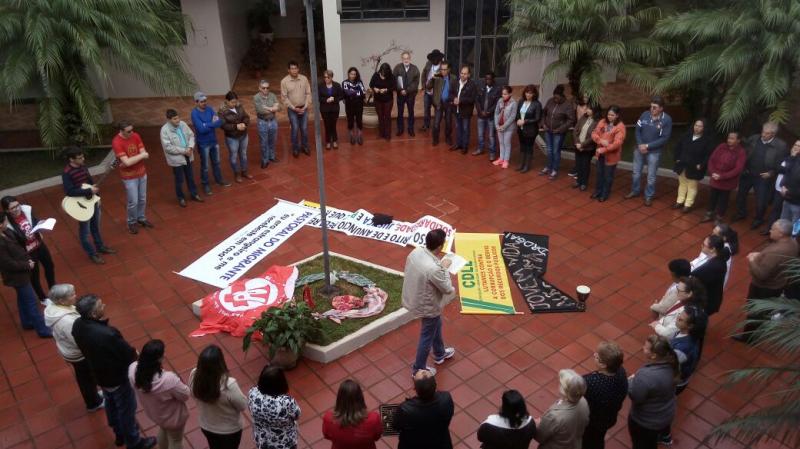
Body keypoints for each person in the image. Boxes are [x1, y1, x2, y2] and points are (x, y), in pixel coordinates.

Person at [71, 294, 156, 449]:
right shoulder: (108, 334)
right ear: (93, 314)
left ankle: (119, 434)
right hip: (117, 377)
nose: (104, 306)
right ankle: (134, 442)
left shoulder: (77, 325)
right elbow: (126, 353)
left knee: (110, 403)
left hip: (99, 374)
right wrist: (135, 358)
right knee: (126, 410)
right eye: (100, 305)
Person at [402, 229, 456, 376]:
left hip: (418, 298)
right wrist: (444, 267)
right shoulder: (434, 269)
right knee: (427, 334)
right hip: (428, 305)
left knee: (436, 324)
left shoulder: (416, 252)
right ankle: (418, 368)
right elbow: (447, 288)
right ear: (439, 247)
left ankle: (439, 353)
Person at [734, 219, 798, 343]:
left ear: (781, 234)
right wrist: (762, 255)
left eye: (773, 229)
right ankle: (759, 328)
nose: (770, 230)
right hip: (778, 284)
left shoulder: (777, 251)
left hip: (764, 287)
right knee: (764, 311)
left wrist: (752, 260)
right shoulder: (793, 244)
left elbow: (761, 275)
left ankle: (749, 337)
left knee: (755, 312)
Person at [44, 284, 104, 411]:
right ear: (61, 300)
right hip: (78, 354)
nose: (75, 296)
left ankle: (93, 396)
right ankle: (93, 403)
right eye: (71, 295)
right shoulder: (67, 322)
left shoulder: (54, 308)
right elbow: (79, 339)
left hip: (70, 351)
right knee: (86, 377)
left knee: (85, 376)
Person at [658, 306, 707, 445]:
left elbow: (667, 365)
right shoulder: (686, 335)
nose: (677, 319)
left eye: (680, 319)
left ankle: (664, 435)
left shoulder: (683, 348)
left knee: (662, 408)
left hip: (674, 382)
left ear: (690, 326)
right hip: (677, 378)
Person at [129, 340, 190, 449]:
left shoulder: (132, 369)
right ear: (158, 359)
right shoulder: (169, 380)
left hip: (155, 415)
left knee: (164, 430)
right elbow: (185, 395)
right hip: (173, 418)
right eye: (163, 353)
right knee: (176, 440)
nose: (165, 354)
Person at [61, 146, 116, 264]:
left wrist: (97, 196)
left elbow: (90, 182)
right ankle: (92, 254)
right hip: (81, 205)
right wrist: (89, 192)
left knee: (95, 226)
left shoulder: (83, 167)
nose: (83, 159)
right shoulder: (67, 173)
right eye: (80, 158)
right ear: (71, 159)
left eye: (82, 156)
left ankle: (100, 246)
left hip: (92, 201)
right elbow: (69, 191)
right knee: (85, 231)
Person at [0, 216, 52, 337]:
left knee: (23, 298)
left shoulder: (7, 231)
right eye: (5, 221)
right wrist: (26, 265)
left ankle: (27, 322)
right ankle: (43, 330)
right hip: (17, 275)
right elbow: (7, 263)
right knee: (31, 301)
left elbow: (20, 243)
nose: (8, 222)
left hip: (22, 271)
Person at [189, 345, 248, 449]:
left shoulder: (194, 375)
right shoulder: (229, 384)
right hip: (229, 431)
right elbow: (242, 405)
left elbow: (192, 393)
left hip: (206, 426)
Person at [734, 122, 788, 230]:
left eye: (767, 133)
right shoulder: (754, 138)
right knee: (740, 195)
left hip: (763, 178)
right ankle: (741, 213)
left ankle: (758, 219)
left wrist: (771, 173)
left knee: (761, 201)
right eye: (763, 131)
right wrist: (743, 167)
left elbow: (781, 163)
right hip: (748, 173)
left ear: (773, 134)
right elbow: (745, 152)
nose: (763, 135)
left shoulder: (781, 146)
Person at [627, 335, 679, 449]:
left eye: (645, 347)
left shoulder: (646, 375)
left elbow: (636, 397)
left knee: (642, 444)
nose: (642, 348)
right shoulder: (671, 364)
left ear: (654, 355)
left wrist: (630, 382)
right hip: (665, 414)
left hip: (645, 422)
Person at [2, 195, 56, 302]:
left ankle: (54, 291)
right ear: (7, 210)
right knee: (34, 276)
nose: (17, 209)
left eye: (17, 205)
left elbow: (34, 221)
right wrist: (24, 237)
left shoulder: (27, 210)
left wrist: (39, 224)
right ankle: (43, 298)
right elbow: (13, 241)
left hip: (39, 245)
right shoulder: (7, 224)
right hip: (28, 252)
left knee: (49, 266)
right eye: (13, 208)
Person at [626, 96, 673, 207]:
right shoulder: (644, 115)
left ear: (661, 108)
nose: (652, 109)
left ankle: (648, 196)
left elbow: (664, 138)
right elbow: (637, 130)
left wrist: (647, 146)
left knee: (651, 176)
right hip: (639, 149)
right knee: (636, 173)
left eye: (655, 107)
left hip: (654, 152)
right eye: (651, 106)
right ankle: (635, 190)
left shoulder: (666, 119)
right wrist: (640, 144)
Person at [581, 342, 628, 449]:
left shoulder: (590, 382)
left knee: (586, 442)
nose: (594, 355)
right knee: (598, 439)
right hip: (608, 418)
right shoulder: (621, 371)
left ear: (603, 365)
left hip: (591, 421)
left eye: (597, 356)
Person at [395, 369, 454, 449]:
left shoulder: (405, 410)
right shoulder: (446, 400)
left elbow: (396, 426)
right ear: (436, 384)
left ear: (414, 389)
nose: (421, 369)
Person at [112, 121, 152, 235]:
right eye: (129, 131)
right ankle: (131, 221)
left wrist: (133, 159)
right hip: (129, 177)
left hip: (141, 172)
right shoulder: (117, 142)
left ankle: (141, 218)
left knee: (142, 198)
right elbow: (128, 162)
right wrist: (141, 156)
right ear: (121, 131)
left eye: (132, 130)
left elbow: (144, 154)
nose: (132, 133)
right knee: (133, 201)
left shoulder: (136, 135)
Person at [534, 369, 590, 449]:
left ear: (564, 390)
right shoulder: (583, 401)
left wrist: (537, 425)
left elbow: (539, 437)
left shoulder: (554, 416)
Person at [248, 365, 301, 449]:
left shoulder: (252, 393)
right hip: (284, 442)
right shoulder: (286, 402)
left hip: (262, 440)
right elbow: (297, 415)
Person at [322, 379, 383, 449]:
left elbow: (327, 436)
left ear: (339, 398)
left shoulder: (328, 419)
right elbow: (377, 436)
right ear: (360, 398)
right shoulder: (374, 419)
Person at [160, 109, 203, 208]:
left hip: (188, 155)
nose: (178, 120)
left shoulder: (183, 124)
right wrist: (184, 151)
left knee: (191, 177)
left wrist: (190, 147)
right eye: (175, 119)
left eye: (178, 117)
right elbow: (168, 147)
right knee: (179, 180)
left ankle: (194, 194)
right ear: (169, 119)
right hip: (177, 159)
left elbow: (191, 136)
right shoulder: (164, 130)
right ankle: (181, 198)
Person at [191, 91, 231, 195]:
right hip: (203, 143)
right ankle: (205, 184)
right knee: (205, 166)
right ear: (196, 102)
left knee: (216, 162)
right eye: (202, 101)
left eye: (205, 101)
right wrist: (211, 124)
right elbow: (200, 129)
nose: (204, 103)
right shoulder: (194, 113)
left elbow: (219, 122)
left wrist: (206, 124)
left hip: (213, 141)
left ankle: (219, 179)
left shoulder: (210, 109)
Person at [701, 132, 747, 223]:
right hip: (715, 178)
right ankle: (709, 213)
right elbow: (711, 159)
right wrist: (712, 172)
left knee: (723, 200)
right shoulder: (721, 146)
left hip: (727, 181)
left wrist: (722, 176)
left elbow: (738, 169)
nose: (729, 140)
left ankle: (719, 217)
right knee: (712, 197)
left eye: (732, 138)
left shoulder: (741, 152)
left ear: (738, 140)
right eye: (729, 138)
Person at [672, 119, 714, 213]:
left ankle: (688, 204)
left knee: (692, 186)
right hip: (682, 165)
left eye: (700, 126)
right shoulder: (686, 136)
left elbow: (708, 155)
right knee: (682, 184)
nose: (697, 128)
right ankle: (680, 201)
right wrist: (677, 159)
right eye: (696, 125)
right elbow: (677, 147)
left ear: (704, 128)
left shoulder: (707, 141)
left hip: (695, 167)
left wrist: (702, 165)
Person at [590, 105, 626, 202]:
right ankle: (598, 191)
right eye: (608, 114)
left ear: (617, 115)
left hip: (611, 156)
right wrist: (600, 140)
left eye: (612, 115)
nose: (609, 116)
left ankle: (605, 194)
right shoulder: (602, 122)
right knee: (599, 173)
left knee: (608, 176)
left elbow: (617, 143)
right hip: (600, 154)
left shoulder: (620, 127)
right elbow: (594, 133)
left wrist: (604, 149)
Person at [540, 84, 575, 180]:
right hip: (548, 130)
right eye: (554, 97)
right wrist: (543, 123)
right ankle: (548, 167)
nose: (555, 100)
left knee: (556, 151)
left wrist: (560, 129)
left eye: (557, 98)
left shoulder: (567, 105)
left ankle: (554, 170)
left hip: (558, 132)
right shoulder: (550, 101)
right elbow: (544, 113)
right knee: (549, 150)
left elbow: (571, 120)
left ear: (562, 96)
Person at [691, 235, 730, 316]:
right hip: (709, 299)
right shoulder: (719, 259)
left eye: (704, 245)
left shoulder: (712, 267)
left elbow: (694, 279)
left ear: (713, 249)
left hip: (704, 303)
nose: (701, 246)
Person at [281, 60, 312, 157]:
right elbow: (284, 98)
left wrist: (306, 105)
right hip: (292, 110)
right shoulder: (284, 81)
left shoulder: (304, 79)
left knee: (304, 128)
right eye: (292, 69)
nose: (294, 70)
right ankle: (295, 148)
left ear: (298, 69)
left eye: (296, 68)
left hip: (304, 108)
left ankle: (305, 146)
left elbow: (308, 93)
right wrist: (294, 108)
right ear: (288, 70)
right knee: (294, 128)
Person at [219, 91, 251, 182]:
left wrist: (244, 123)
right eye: (232, 102)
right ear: (227, 101)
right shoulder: (222, 111)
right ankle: (236, 173)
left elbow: (246, 116)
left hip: (243, 135)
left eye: (235, 102)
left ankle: (244, 171)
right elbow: (222, 125)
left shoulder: (239, 106)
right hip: (232, 138)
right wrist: (236, 126)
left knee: (243, 154)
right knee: (233, 156)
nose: (234, 104)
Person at [426, 60, 457, 147]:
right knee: (436, 123)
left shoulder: (453, 78)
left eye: (444, 69)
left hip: (449, 104)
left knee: (448, 122)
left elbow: (455, 91)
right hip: (439, 103)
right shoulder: (436, 77)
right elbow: (428, 87)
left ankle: (448, 138)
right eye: (441, 69)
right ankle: (435, 139)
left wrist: (453, 99)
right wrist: (431, 79)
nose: (442, 71)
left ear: (449, 69)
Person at [473, 72, 501, 160]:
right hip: (481, 115)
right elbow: (476, 100)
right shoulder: (481, 87)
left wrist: (489, 111)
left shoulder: (497, 89)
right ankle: (480, 149)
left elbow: (497, 103)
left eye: (489, 79)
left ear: (493, 79)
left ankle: (492, 152)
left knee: (491, 136)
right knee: (480, 134)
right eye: (486, 79)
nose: (487, 80)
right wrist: (480, 111)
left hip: (491, 117)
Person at [253, 80, 281, 168]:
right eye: (263, 88)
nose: (266, 89)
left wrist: (269, 108)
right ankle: (265, 160)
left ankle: (271, 156)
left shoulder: (272, 95)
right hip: (262, 122)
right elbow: (260, 110)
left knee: (273, 140)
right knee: (264, 142)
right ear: (259, 88)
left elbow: (279, 107)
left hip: (273, 121)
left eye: (267, 88)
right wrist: (273, 107)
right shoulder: (256, 97)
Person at [515, 84, 542, 173]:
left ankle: (527, 165)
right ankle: (521, 164)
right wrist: (518, 119)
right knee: (522, 146)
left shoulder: (537, 104)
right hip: (521, 129)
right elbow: (518, 113)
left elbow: (537, 118)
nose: (528, 95)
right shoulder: (521, 101)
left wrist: (525, 121)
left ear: (534, 94)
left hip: (531, 130)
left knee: (529, 147)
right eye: (527, 92)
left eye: (531, 93)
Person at [572, 104, 600, 190]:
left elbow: (593, 136)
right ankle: (578, 181)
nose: (587, 110)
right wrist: (577, 143)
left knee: (585, 165)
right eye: (587, 108)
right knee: (578, 164)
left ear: (595, 111)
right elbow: (575, 130)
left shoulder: (597, 122)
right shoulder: (583, 117)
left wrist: (582, 145)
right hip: (578, 145)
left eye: (590, 109)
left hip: (588, 147)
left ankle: (584, 183)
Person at [393, 51, 420, 137]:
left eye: (407, 58)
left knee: (411, 112)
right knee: (400, 112)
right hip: (400, 94)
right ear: (402, 59)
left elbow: (416, 83)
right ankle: (400, 129)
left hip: (410, 95)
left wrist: (407, 90)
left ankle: (410, 129)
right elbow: (394, 80)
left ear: (410, 59)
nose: (406, 60)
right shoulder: (397, 68)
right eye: (404, 58)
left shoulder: (415, 69)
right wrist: (400, 90)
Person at [451, 65, 477, 153]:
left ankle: (465, 146)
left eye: (465, 74)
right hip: (456, 110)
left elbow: (472, 99)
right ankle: (459, 144)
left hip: (466, 111)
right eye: (461, 73)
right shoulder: (455, 82)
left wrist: (461, 100)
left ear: (469, 75)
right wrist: (453, 98)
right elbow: (451, 94)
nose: (463, 75)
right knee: (458, 128)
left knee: (466, 129)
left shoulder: (472, 85)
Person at [568, 95, 593, 178]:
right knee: (578, 153)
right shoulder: (579, 106)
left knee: (585, 157)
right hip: (580, 128)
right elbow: (578, 118)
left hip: (587, 131)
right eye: (584, 97)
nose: (586, 99)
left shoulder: (591, 106)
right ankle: (577, 170)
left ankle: (582, 173)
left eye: (587, 97)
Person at [369, 63, 395, 141]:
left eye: (384, 72)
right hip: (378, 100)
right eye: (382, 72)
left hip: (388, 100)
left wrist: (386, 89)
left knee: (387, 116)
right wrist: (375, 89)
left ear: (388, 71)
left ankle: (388, 134)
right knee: (380, 116)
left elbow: (394, 87)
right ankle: (381, 133)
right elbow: (371, 84)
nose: (383, 74)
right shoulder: (376, 75)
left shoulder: (391, 76)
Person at [493, 86, 517, 170]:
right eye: (502, 94)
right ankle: (501, 158)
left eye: (505, 94)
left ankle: (506, 160)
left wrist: (504, 126)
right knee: (501, 143)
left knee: (506, 143)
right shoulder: (500, 101)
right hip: (499, 126)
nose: (503, 95)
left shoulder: (513, 103)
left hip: (508, 127)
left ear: (510, 94)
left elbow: (512, 117)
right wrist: (496, 125)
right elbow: (496, 113)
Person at [420, 49, 445, 132]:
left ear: (440, 58)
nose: (435, 60)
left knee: (437, 110)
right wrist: (423, 85)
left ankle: (436, 126)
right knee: (426, 110)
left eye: (436, 58)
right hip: (428, 92)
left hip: (437, 94)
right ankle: (426, 125)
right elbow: (423, 74)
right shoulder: (428, 64)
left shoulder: (443, 67)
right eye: (433, 58)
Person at [776, 140, 800, 225]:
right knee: (783, 224)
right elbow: (786, 173)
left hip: (797, 203)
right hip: (787, 199)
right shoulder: (795, 159)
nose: (796, 147)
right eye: (795, 145)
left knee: (795, 228)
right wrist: (783, 186)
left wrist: (788, 191)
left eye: (799, 146)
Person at [319, 70, 344, 149]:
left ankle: (335, 140)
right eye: (325, 77)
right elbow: (318, 97)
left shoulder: (337, 85)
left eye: (328, 77)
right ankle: (328, 141)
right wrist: (325, 100)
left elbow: (341, 96)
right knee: (327, 125)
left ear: (331, 77)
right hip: (324, 109)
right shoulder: (320, 86)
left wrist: (334, 99)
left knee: (333, 125)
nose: (326, 79)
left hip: (334, 109)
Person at [342, 67, 367, 146]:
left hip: (359, 104)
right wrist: (357, 92)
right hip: (349, 105)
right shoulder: (345, 82)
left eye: (354, 74)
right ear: (348, 74)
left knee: (359, 120)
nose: (353, 75)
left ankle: (359, 136)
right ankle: (352, 136)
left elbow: (363, 92)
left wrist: (353, 93)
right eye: (351, 74)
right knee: (350, 120)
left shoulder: (359, 82)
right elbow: (347, 93)